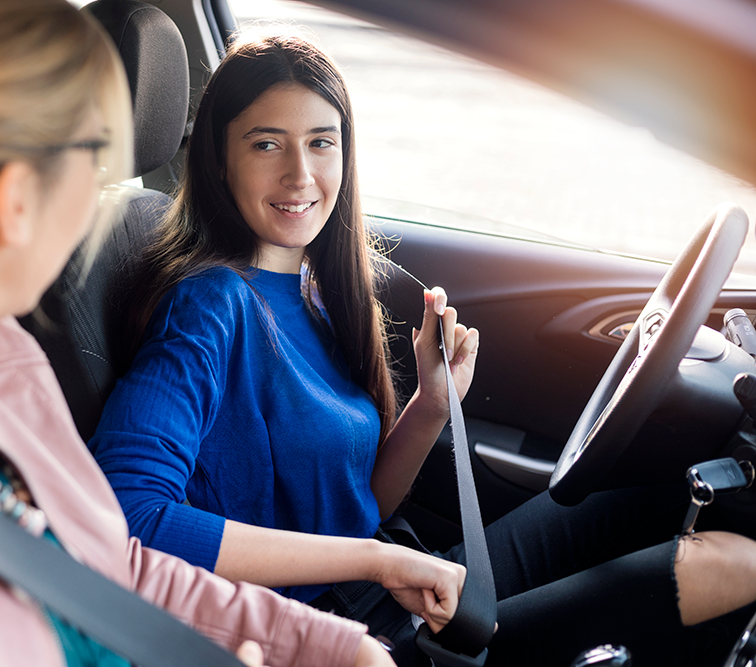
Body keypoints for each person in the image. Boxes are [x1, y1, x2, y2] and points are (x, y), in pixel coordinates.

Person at [0, 2, 398, 666]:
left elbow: (111, 566)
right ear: (15, 200)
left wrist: (330, 645)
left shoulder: (2, 358)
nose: (101, 197)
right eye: (94, 160)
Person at [90, 31, 756, 666]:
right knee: (729, 564)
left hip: (390, 581)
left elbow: (360, 507)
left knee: (661, 497)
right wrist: (377, 562)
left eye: (322, 142)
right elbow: (129, 518)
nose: (300, 172)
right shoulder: (211, 305)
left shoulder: (313, 287)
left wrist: (434, 403)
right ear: (218, 157)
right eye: (267, 144)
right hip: (337, 637)